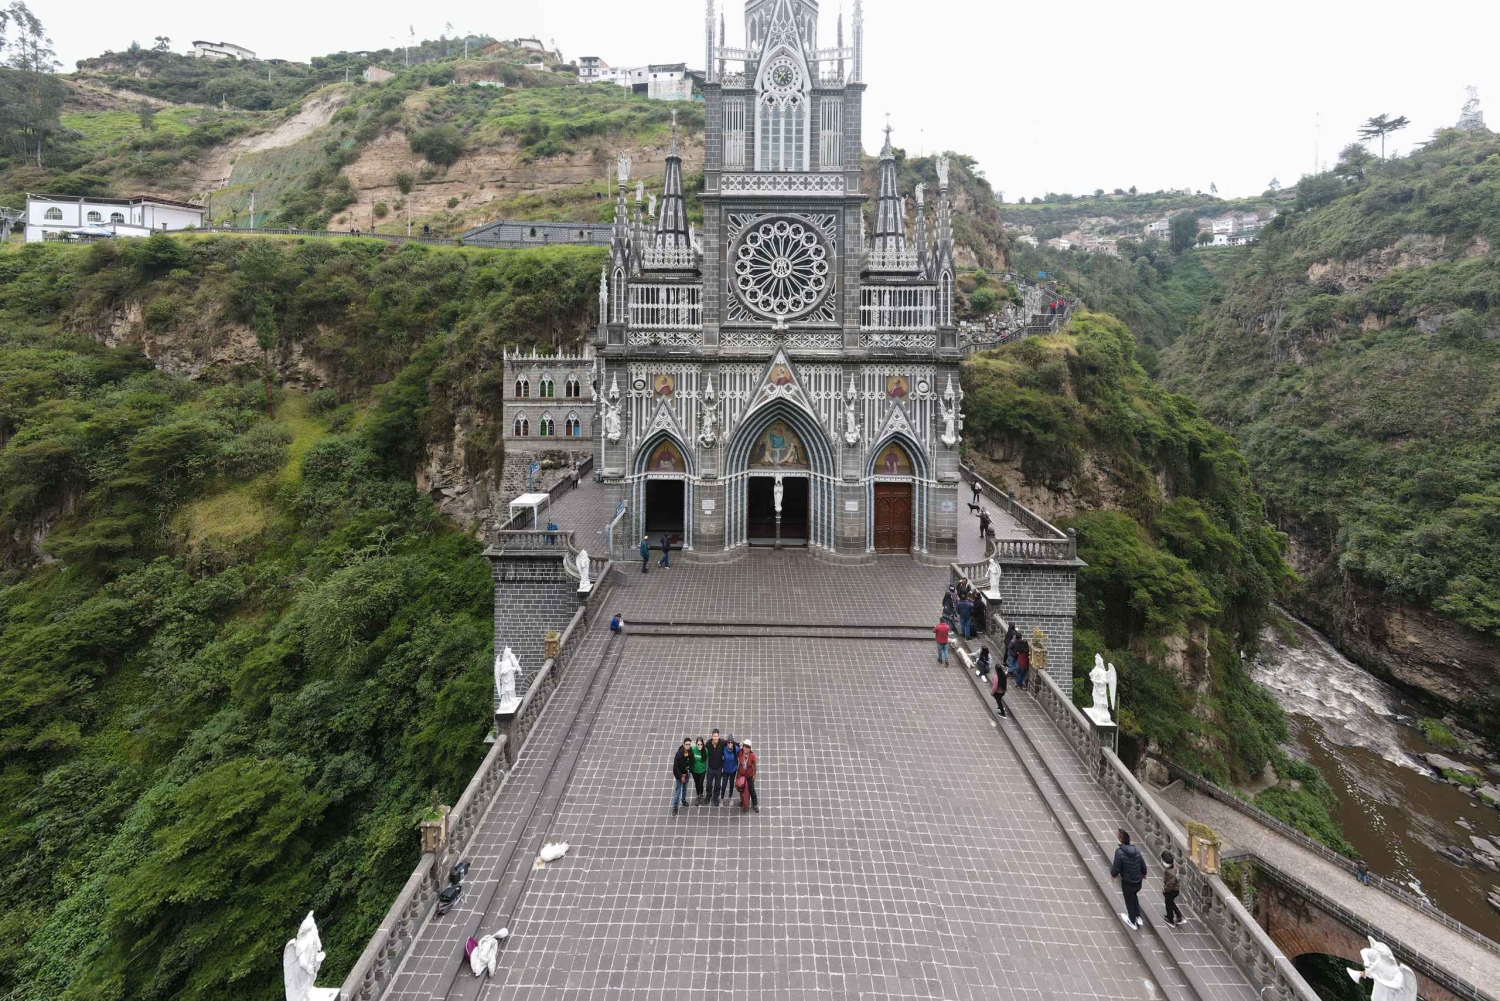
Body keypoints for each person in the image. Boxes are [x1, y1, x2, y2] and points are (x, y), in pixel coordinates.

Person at [1110, 829, 1148, 930]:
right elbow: (1142, 864)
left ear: (1120, 839)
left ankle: (1132, 921)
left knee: (1128, 900)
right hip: (1138, 881)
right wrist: (1144, 873)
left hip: (1128, 882)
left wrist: (1113, 875)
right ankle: (1137, 916)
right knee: (1134, 896)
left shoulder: (1119, 852)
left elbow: (1116, 867)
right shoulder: (1136, 850)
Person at [670, 737, 694, 814]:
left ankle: (683, 800)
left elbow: (692, 763)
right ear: (684, 745)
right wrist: (681, 776)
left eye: (689, 744)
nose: (688, 746)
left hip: (686, 774)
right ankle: (675, 807)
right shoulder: (679, 754)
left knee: (685, 788)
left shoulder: (691, 752)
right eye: (686, 744)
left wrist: (688, 770)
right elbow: (675, 767)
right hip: (679, 775)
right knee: (678, 791)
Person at [1161, 850, 1183, 926]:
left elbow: (1170, 884)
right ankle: (1178, 915)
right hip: (1175, 890)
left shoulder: (1171, 873)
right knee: (1171, 902)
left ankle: (1170, 919)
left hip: (1171, 891)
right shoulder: (1174, 867)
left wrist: (1165, 889)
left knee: (1168, 904)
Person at [705, 729, 725, 805]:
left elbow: (731, 743)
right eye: (714, 736)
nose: (715, 738)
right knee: (709, 784)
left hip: (719, 768)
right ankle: (709, 795)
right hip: (710, 768)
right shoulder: (708, 744)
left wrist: (739, 744)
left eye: (717, 736)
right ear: (712, 736)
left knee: (717, 785)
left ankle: (715, 797)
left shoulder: (722, 743)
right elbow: (702, 749)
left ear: (719, 736)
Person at [738, 739, 759, 812]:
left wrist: (754, 774)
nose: (746, 749)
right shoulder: (740, 753)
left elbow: (754, 766)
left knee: (752, 790)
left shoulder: (752, 756)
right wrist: (739, 743)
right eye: (744, 747)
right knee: (742, 790)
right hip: (741, 775)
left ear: (750, 748)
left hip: (749, 776)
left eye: (748, 747)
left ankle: (755, 803)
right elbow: (734, 746)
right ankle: (743, 801)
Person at [721, 737, 739, 807]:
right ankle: (722, 798)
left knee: (731, 784)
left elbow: (742, 750)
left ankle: (730, 797)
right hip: (725, 770)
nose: (730, 744)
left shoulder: (736, 749)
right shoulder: (724, 749)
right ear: (727, 743)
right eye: (729, 742)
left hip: (733, 771)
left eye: (732, 742)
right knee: (724, 785)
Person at [690, 736, 708, 803]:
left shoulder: (705, 751)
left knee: (700, 783)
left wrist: (706, 768)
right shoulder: (693, 748)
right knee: (696, 783)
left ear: (703, 744)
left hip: (702, 771)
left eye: (701, 744)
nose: (700, 746)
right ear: (696, 744)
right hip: (694, 770)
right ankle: (698, 795)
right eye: (698, 744)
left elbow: (707, 759)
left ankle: (701, 794)